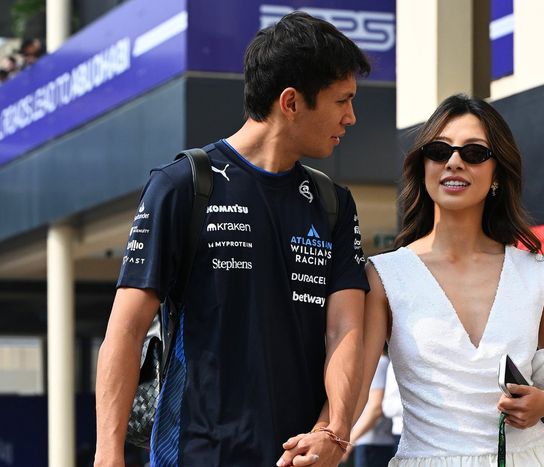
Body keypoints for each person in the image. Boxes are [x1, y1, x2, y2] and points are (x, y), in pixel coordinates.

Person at [95, 12, 371, 467]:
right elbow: (125, 330)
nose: (351, 117)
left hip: (295, 458)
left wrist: (333, 430)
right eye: (342, 100)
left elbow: (346, 330)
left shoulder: (333, 203)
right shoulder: (181, 186)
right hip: (195, 454)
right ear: (291, 102)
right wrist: (108, 453)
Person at [358, 94, 544, 466]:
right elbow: (356, 388)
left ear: (497, 173)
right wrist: (326, 433)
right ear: (423, 165)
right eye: (439, 151)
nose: (453, 162)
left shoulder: (536, 272)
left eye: (474, 153)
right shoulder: (386, 274)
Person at [341, 351, 396, 467]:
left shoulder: (378, 364)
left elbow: (376, 408)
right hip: (372, 442)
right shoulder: (382, 362)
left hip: (372, 444)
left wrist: (349, 441)